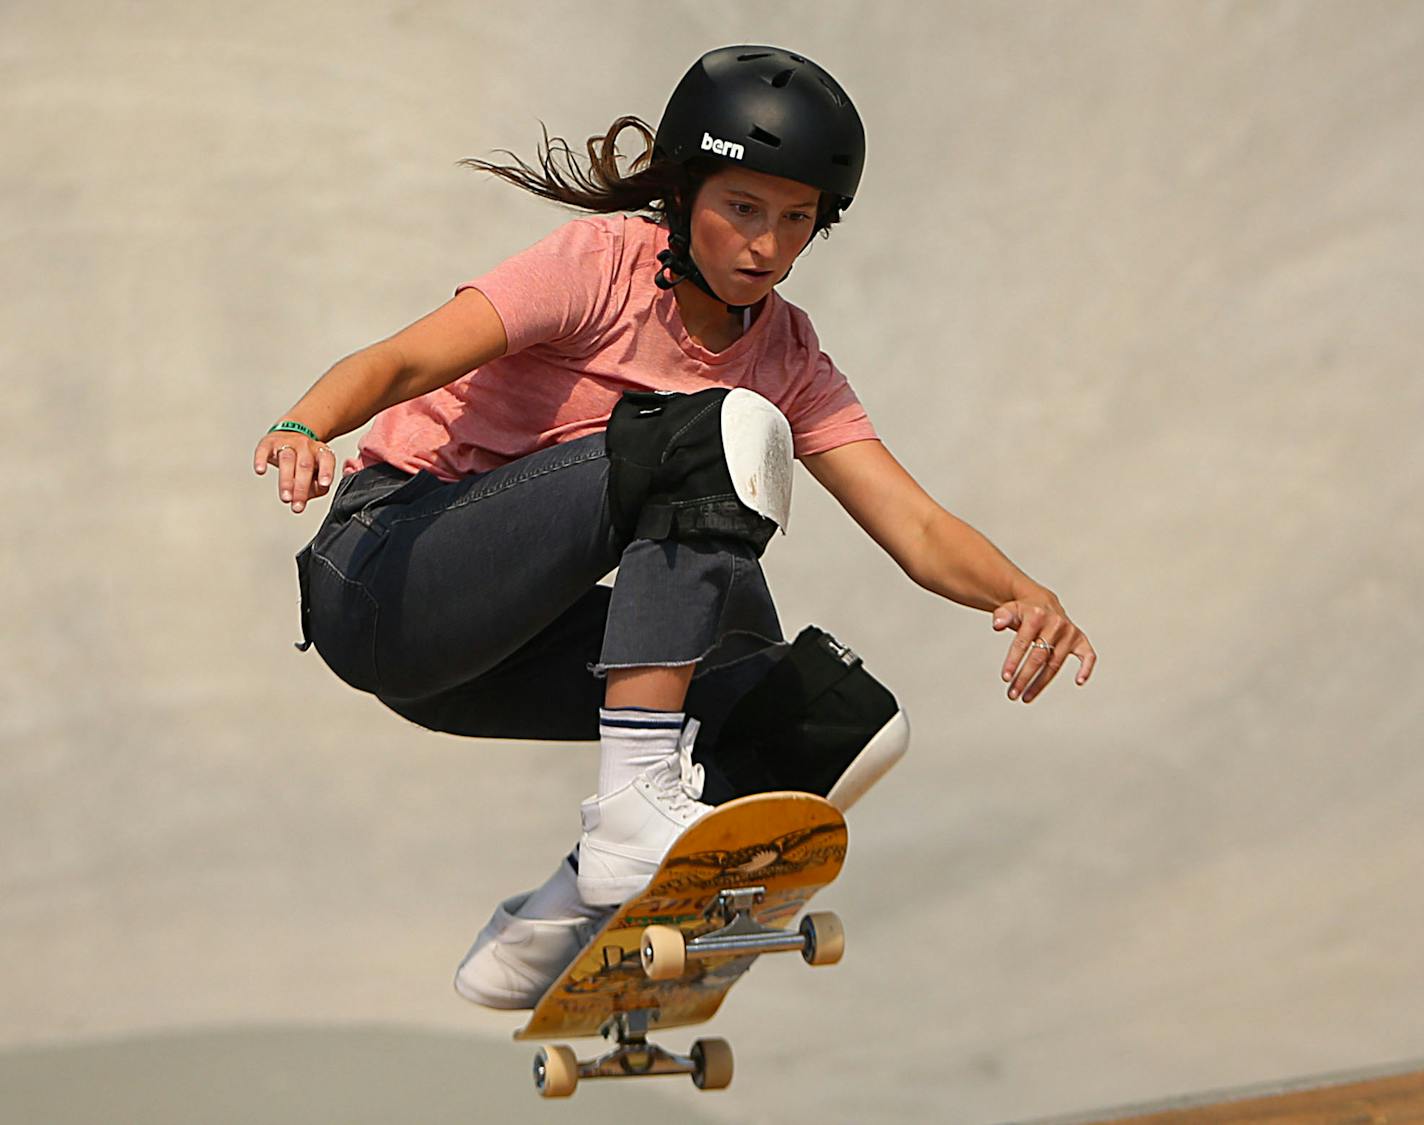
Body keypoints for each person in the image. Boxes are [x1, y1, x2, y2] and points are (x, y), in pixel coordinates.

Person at [252, 45, 1096, 1010]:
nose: (765, 247)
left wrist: (1026, 594)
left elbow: (913, 523)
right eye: (742, 208)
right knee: (712, 435)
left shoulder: (788, 354)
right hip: (388, 575)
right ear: (686, 192)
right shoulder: (600, 268)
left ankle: (549, 928)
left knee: (825, 716)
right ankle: (632, 809)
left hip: (496, 665)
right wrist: (304, 423)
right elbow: (404, 359)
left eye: (795, 221)